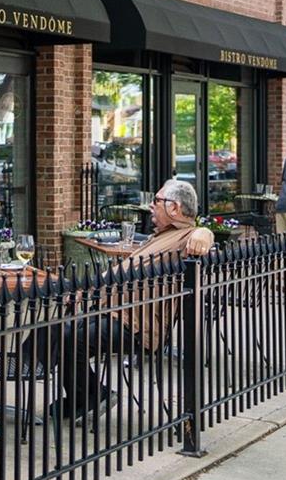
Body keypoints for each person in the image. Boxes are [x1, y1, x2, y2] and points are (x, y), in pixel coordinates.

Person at [47, 178, 215, 421]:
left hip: (137, 326)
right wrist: (85, 289)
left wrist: (204, 232)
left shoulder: (186, 238)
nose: (150, 206)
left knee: (72, 339)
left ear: (174, 208)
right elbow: (121, 272)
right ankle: (86, 395)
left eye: (157, 201)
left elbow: (203, 237)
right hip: (116, 311)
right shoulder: (159, 236)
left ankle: (88, 396)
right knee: (61, 332)